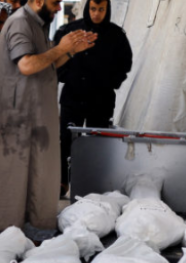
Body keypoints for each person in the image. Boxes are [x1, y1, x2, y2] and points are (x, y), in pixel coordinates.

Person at [0, 0, 94, 241]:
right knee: (14, 177)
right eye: (55, 3)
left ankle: (32, 229)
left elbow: (46, 61)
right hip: (18, 119)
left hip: (35, 117)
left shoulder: (37, 24)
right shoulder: (20, 23)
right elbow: (27, 64)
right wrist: (61, 48)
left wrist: (70, 51)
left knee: (38, 174)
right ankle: (10, 235)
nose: (59, 8)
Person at [54, 0, 131, 192]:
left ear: (107, 10)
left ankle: (94, 184)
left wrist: (111, 82)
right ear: (88, 8)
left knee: (98, 142)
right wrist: (66, 76)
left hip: (101, 99)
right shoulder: (71, 30)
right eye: (93, 9)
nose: (96, 14)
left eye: (101, 9)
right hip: (73, 95)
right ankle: (62, 181)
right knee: (66, 139)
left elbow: (125, 63)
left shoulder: (116, 35)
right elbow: (57, 55)